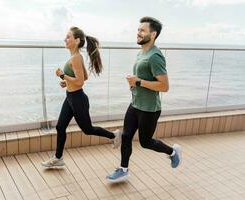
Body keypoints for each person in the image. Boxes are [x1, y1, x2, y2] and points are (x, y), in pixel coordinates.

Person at [106, 17, 182, 182]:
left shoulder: (155, 56)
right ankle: (123, 169)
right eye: (138, 30)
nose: (138, 33)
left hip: (149, 109)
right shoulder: (142, 52)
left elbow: (164, 86)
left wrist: (138, 81)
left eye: (142, 30)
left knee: (146, 143)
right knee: (126, 137)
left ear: (153, 34)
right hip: (135, 104)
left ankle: (173, 153)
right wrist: (134, 84)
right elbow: (143, 79)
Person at [41, 27, 121, 168]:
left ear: (77, 40)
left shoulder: (76, 58)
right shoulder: (75, 57)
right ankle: (58, 158)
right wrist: (66, 82)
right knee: (60, 127)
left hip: (78, 99)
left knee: (87, 129)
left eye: (68, 37)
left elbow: (80, 82)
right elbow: (85, 76)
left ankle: (114, 135)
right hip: (70, 97)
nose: (65, 39)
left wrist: (62, 75)